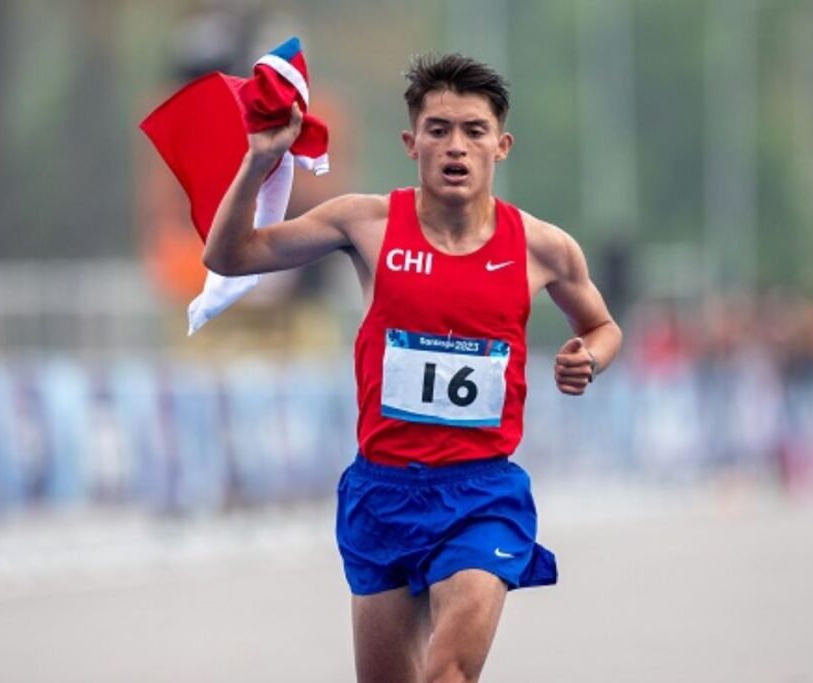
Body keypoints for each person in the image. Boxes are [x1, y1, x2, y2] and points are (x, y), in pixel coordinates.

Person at [203, 53, 622, 683]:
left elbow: (603, 325)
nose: (456, 146)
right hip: (384, 494)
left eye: (474, 131)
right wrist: (261, 158)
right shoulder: (366, 225)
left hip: (483, 495)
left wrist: (589, 358)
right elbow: (230, 256)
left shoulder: (542, 247)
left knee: (448, 673)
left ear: (501, 146)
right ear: (411, 142)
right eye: (439, 129)